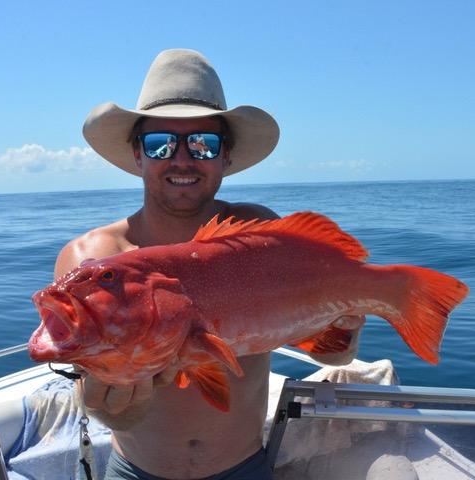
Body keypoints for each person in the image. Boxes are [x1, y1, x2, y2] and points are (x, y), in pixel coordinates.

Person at [55, 49, 365, 480]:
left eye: (203, 143)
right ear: (137, 155)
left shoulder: (257, 231)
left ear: (227, 158)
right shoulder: (89, 262)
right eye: (160, 143)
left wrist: (344, 327)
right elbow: (106, 409)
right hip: (133, 471)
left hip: (246, 467)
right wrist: (118, 406)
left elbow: (334, 354)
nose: (182, 159)